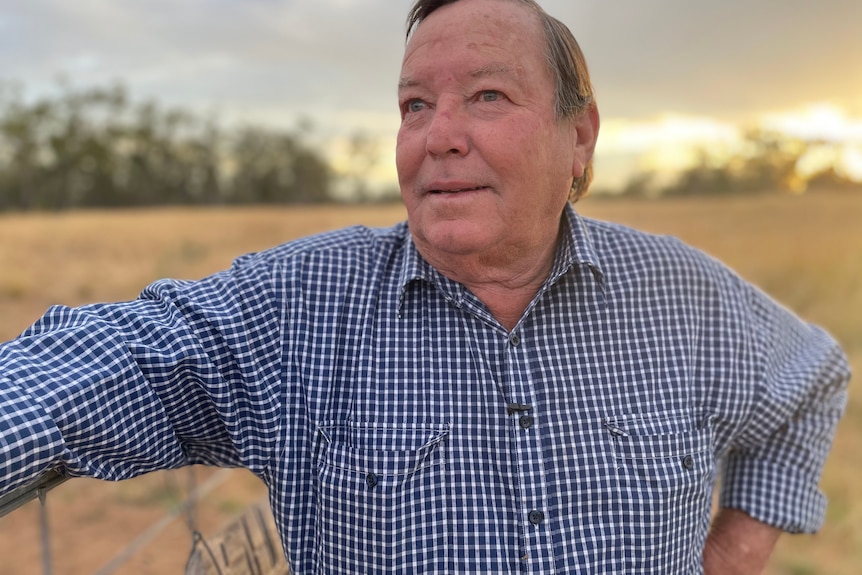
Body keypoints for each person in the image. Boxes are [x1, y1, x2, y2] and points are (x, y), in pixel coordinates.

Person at [0, 0, 850, 572]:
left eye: (486, 96)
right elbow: (114, 361)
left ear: (579, 136)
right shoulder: (302, 304)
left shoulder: (685, 295)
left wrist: (732, 552)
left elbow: (814, 373)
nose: (437, 136)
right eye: (414, 105)